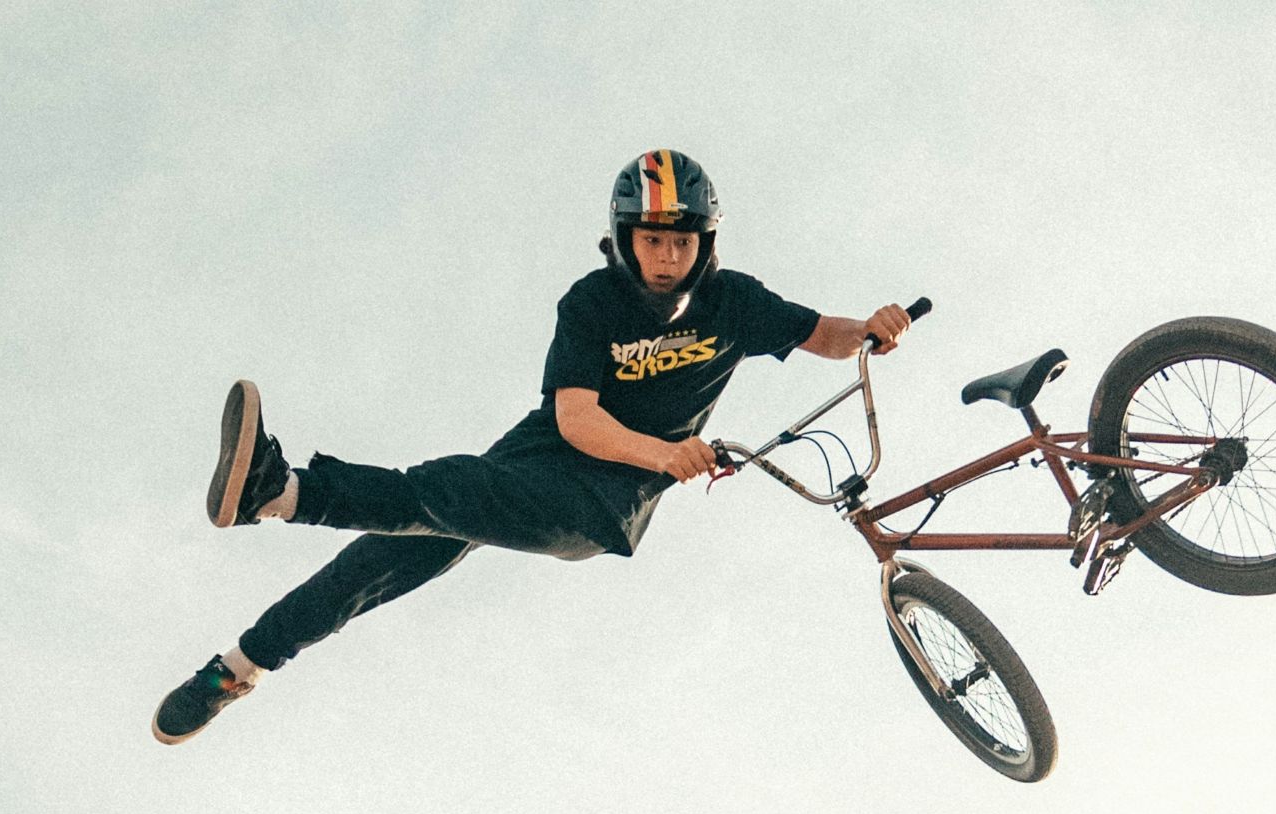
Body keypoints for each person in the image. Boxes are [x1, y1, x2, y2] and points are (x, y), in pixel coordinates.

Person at [153, 149, 912, 744]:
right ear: (626, 240)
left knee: (443, 492)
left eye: (681, 242)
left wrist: (872, 329)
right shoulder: (593, 302)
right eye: (652, 240)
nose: (667, 257)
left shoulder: (736, 301)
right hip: (545, 457)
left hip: (600, 503)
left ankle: (282, 493)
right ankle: (236, 669)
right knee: (389, 552)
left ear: (704, 242)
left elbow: (824, 336)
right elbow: (577, 417)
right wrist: (666, 451)